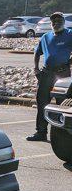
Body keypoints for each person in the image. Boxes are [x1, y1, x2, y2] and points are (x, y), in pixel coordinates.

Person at [27, 12, 72, 141]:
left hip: (62, 74)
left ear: (63, 22)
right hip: (46, 74)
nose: (56, 23)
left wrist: (69, 62)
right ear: (51, 23)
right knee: (42, 103)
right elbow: (37, 53)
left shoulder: (69, 34)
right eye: (53, 21)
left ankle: (62, 136)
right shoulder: (46, 37)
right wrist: (36, 69)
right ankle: (41, 132)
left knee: (62, 104)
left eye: (59, 20)